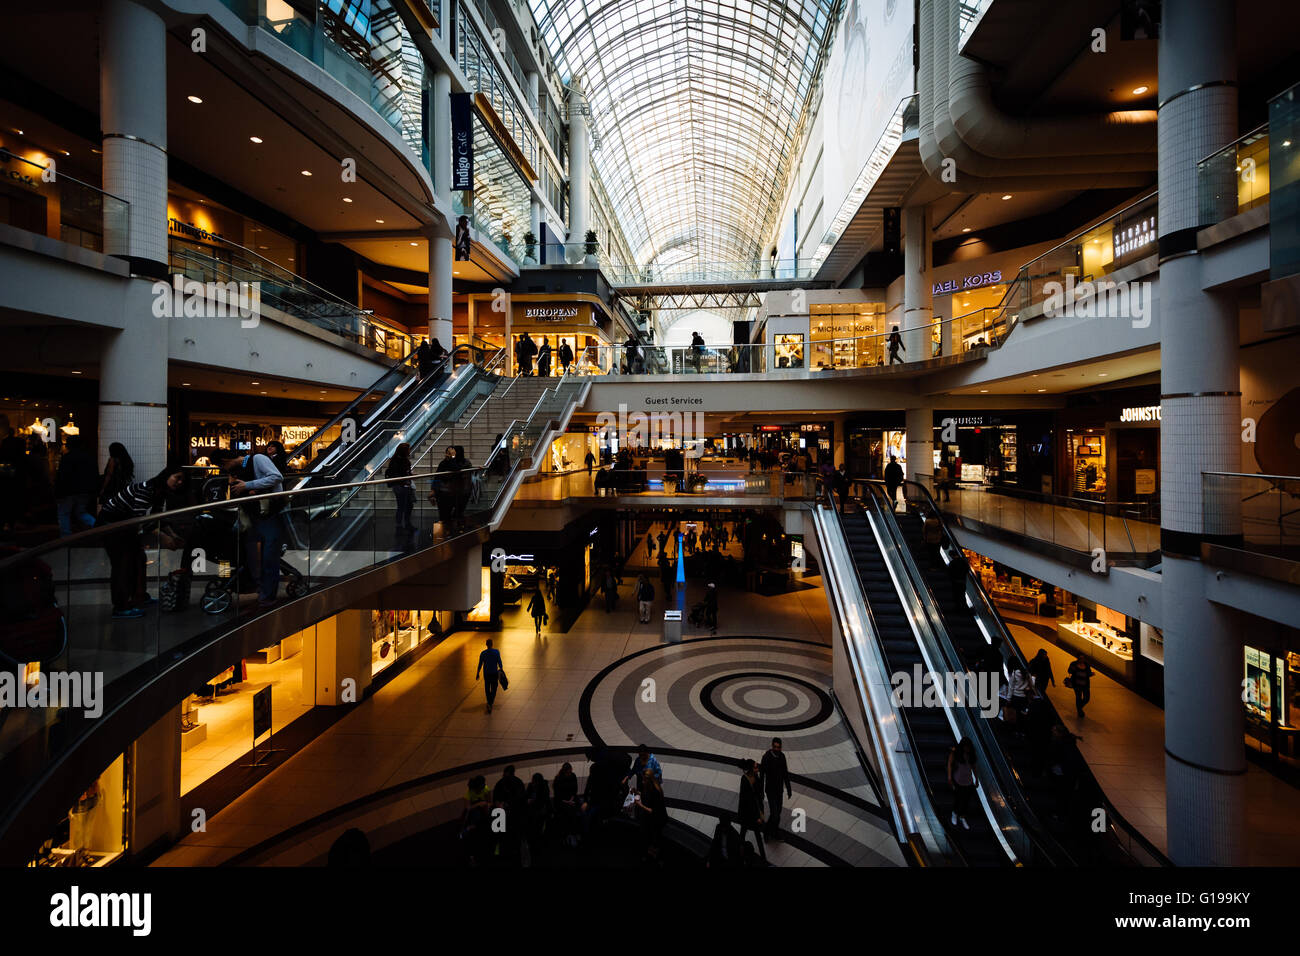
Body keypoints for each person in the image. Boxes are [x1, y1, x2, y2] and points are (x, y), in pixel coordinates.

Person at [96, 464, 189, 618]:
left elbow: (157, 518)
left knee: (138, 559)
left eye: (182, 480)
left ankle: (139, 596)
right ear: (166, 475)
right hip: (112, 527)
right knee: (122, 565)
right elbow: (138, 519)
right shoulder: (146, 489)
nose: (179, 482)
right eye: (177, 477)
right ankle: (121, 607)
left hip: (125, 527)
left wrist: (173, 535)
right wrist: (163, 537)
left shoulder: (160, 492)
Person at [225, 450, 285, 609]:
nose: (225, 468)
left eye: (224, 464)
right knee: (253, 557)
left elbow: (277, 477)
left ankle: (268, 596)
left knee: (269, 556)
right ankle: (260, 589)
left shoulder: (257, 459)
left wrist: (248, 485)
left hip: (270, 514)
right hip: (254, 516)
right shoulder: (239, 470)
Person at [54, 436, 98, 536]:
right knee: (81, 512)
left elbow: (62, 476)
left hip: (68, 491)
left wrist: (57, 492)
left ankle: (66, 537)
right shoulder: (89, 457)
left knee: (64, 513)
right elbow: (94, 474)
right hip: (84, 490)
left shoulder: (67, 458)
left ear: (69, 445)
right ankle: (98, 526)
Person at [759, 737, 793, 838]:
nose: (777, 749)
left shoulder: (782, 756)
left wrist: (789, 788)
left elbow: (785, 773)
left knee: (778, 813)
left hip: (779, 790)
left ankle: (773, 830)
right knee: (775, 814)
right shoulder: (766, 757)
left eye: (778, 747)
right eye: (775, 747)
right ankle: (767, 832)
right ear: (772, 746)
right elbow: (762, 775)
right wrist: (761, 790)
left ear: (781, 747)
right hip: (770, 791)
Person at [736, 758, 767, 863]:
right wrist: (757, 817)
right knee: (749, 833)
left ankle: (762, 857)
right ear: (750, 769)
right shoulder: (744, 780)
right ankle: (762, 858)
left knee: (744, 833)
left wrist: (761, 811)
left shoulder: (756, 778)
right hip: (748, 814)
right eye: (755, 767)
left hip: (754, 812)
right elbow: (746, 801)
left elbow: (759, 796)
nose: (757, 768)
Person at [632, 766, 666, 858]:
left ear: (649, 780)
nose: (642, 782)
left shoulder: (656, 792)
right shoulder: (648, 787)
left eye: (644, 780)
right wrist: (637, 792)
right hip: (650, 819)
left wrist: (640, 805)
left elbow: (653, 811)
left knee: (653, 840)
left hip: (656, 820)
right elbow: (646, 795)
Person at [947, 737, 978, 831]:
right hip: (958, 781)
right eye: (965, 747)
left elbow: (974, 767)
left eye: (968, 747)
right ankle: (955, 813)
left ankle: (962, 816)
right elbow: (949, 764)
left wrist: (976, 779)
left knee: (966, 800)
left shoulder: (971, 755)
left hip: (968, 781)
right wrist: (949, 777)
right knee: (958, 798)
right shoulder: (956, 753)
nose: (967, 749)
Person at [385, 442, 415, 531]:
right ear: (404, 451)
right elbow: (395, 475)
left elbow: (407, 472)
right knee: (401, 506)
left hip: (406, 485)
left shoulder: (405, 460)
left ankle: (406, 523)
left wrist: (411, 476)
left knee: (409, 505)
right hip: (399, 486)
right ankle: (400, 525)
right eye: (408, 450)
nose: (409, 451)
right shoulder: (395, 461)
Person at [430, 446, 460, 535]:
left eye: (452, 452)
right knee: (443, 514)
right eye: (449, 452)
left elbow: (456, 469)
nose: (449, 454)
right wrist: (433, 490)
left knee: (448, 513)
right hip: (443, 492)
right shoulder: (444, 463)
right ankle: (443, 533)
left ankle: (446, 532)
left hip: (450, 492)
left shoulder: (454, 462)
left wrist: (453, 457)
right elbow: (437, 476)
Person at [524, 771, 552, 859]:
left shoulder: (543, 787)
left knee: (537, 824)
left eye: (534, 781)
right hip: (533, 808)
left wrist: (532, 801)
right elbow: (526, 796)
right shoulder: (531, 786)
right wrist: (529, 801)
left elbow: (544, 800)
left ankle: (537, 840)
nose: (533, 783)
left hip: (540, 809)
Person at [99, 441, 135, 508]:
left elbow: (109, 475)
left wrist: (103, 489)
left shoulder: (112, 460)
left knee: (108, 508)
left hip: (112, 488)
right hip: (122, 488)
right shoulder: (128, 461)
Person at [553, 762, 580, 846]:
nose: (569, 773)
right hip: (562, 801)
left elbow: (575, 790)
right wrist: (568, 802)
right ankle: (570, 833)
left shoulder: (573, 776)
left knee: (574, 809)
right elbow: (558, 795)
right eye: (568, 772)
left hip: (571, 799)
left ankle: (573, 832)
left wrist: (571, 799)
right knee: (569, 812)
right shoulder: (558, 779)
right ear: (564, 772)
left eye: (570, 772)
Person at [475, 637, 504, 713]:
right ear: (492, 644)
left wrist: (477, 673)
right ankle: (490, 703)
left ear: (486, 645)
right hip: (494, 673)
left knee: (487, 688)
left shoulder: (483, 653)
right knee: (494, 688)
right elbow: (500, 662)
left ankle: (489, 702)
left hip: (486, 673)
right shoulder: (496, 652)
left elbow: (480, 664)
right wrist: (501, 669)